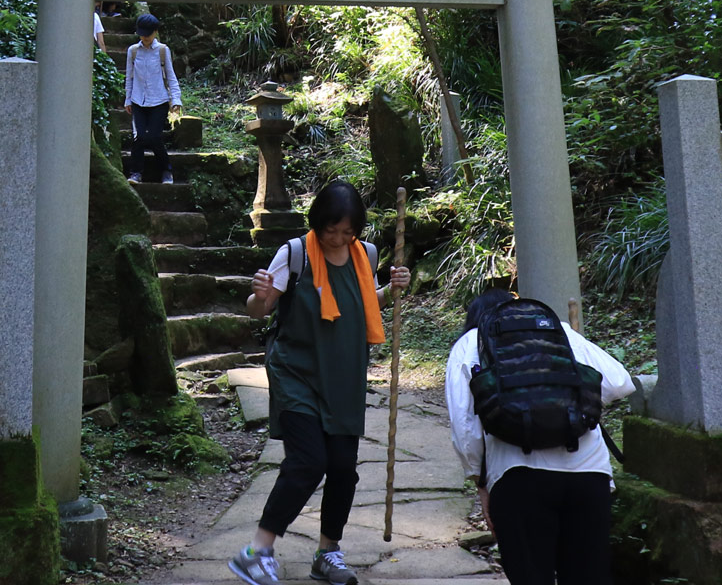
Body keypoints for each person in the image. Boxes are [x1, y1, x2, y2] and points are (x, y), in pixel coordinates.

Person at [232, 180, 411, 585]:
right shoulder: (294, 254)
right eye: (331, 231)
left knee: (344, 468)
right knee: (309, 460)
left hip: (343, 376)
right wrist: (259, 296)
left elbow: (364, 301)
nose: (338, 239)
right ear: (318, 224)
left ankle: (328, 553)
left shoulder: (365, 254)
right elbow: (257, 312)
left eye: (347, 232)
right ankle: (257, 551)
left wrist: (391, 289)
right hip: (296, 373)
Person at [444, 291, 633, 585]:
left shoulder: (470, 343)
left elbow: (465, 425)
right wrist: (568, 402)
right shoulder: (557, 330)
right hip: (588, 472)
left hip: (517, 476)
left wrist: (480, 483)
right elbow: (619, 382)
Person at [123, 13, 179, 182]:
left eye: (148, 34)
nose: (145, 37)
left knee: (154, 136)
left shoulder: (163, 50)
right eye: (142, 34)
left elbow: (170, 76)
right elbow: (129, 77)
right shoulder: (132, 51)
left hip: (159, 100)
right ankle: (136, 173)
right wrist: (128, 99)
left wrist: (175, 100)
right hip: (138, 100)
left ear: (155, 32)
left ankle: (166, 170)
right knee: (139, 136)